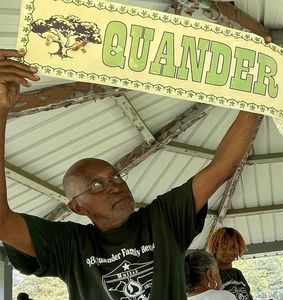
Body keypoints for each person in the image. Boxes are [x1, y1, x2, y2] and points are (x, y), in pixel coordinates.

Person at [0, 49, 261, 299]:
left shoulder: (163, 220)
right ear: (77, 207)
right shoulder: (70, 246)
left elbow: (222, 167)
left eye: (115, 177)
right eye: (97, 185)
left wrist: (258, 95)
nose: (114, 185)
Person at [207, 227, 253, 300]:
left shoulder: (237, 273)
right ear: (215, 248)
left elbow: (248, 297)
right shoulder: (208, 274)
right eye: (223, 248)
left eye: (234, 248)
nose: (229, 252)